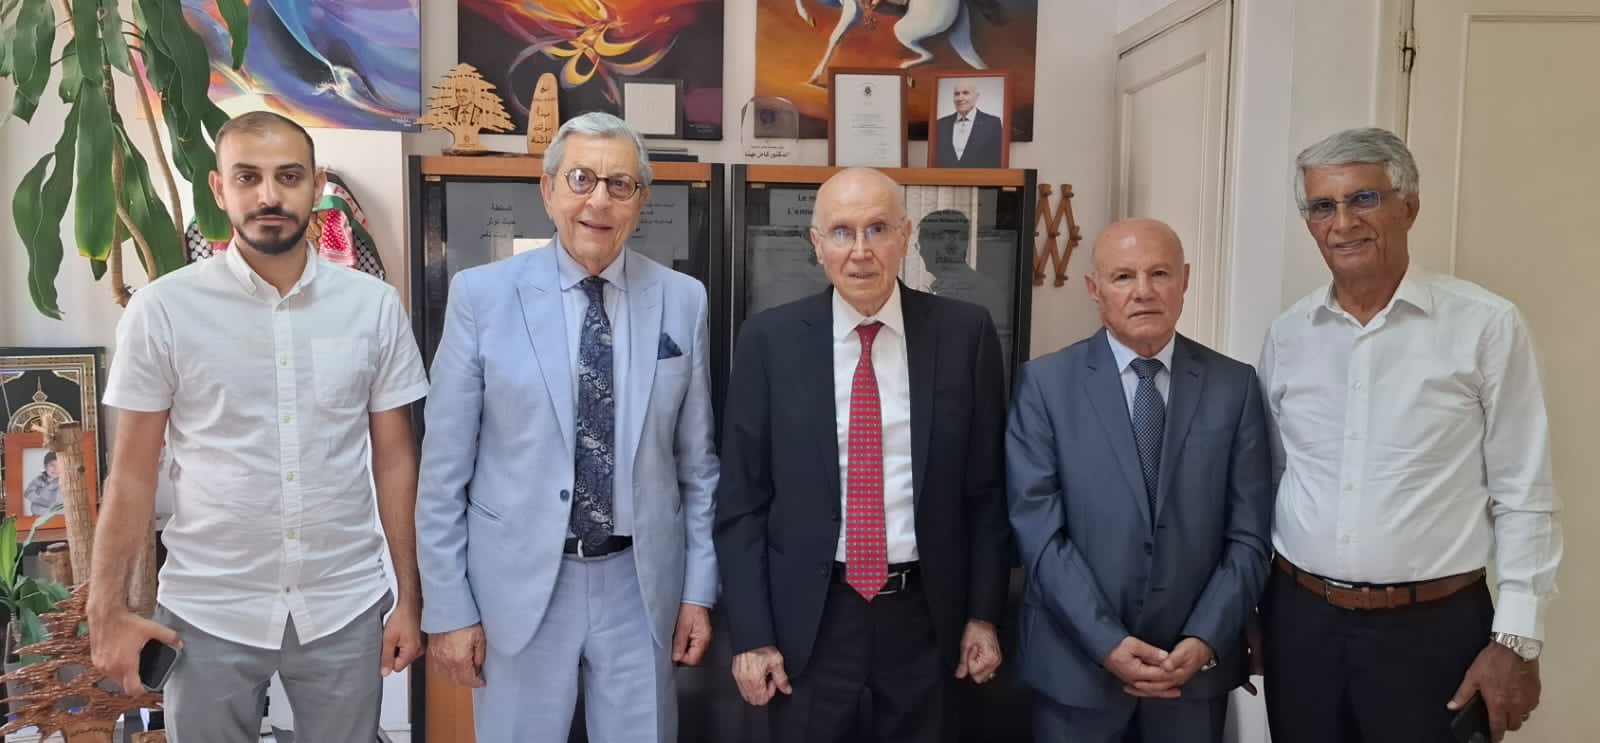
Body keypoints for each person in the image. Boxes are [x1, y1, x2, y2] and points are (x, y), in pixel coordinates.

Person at [89, 110, 429, 742]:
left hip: (343, 602)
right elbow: (130, 473)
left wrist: (409, 596)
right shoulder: (163, 310)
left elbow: (395, 461)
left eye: (289, 176)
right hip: (209, 607)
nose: (269, 195)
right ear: (219, 190)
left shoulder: (373, 307)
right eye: (248, 177)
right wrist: (104, 609)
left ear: (316, 186)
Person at [416, 111, 719, 743]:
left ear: (640, 200)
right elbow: (443, 471)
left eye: (620, 184)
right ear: (548, 189)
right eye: (581, 178)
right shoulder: (481, 296)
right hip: (518, 584)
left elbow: (697, 467)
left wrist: (698, 591)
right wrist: (447, 608)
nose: (599, 200)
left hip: (641, 586)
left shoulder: (683, 299)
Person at [1259, 127, 1562, 742]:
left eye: (1364, 198)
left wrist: (1517, 640)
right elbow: (1268, 478)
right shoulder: (1288, 335)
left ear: (1410, 206)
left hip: (1433, 632)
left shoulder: (1485, 326)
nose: (1343, 222)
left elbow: (1524, 492)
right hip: (1300, 626)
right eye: (1323, 206)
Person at [715, 167, 1011, 743]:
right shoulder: (768, 342)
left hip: (929, 618)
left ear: (905, 237)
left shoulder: (965, 334)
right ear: (817, 244)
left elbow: (987, 492)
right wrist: (752, 635)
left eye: (877, 229)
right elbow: (741, 504)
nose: (860, 250)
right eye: (842, 232)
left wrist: (983, 614)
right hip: (809, 621)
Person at [1005, 218, 1273, 742]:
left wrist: (1206, 636)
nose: (1143, 291)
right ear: (1094, 288)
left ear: (1185, 280)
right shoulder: (1044, 385)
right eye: (1123, 276)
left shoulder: (1234, 386)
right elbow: (1039, 534)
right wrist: (1105, 642)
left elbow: (1249, 535)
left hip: (1192, 673)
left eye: (1160, 273)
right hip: (1076, 670)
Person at [933, 79, 1004, 168]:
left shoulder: (993, 124)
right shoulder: (941, 124)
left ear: (977, 96)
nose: (960, 98)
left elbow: (996, 161)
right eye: (956, 94)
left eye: (965, 93)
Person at [23, 450, 62, 515]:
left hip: (58, 515)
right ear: (45, 467)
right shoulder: (40, 479)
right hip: (38, 514)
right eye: (52, 465)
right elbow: (28, 493)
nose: (56, 469)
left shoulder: (65, 481)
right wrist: (44, 502)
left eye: (59, 465)